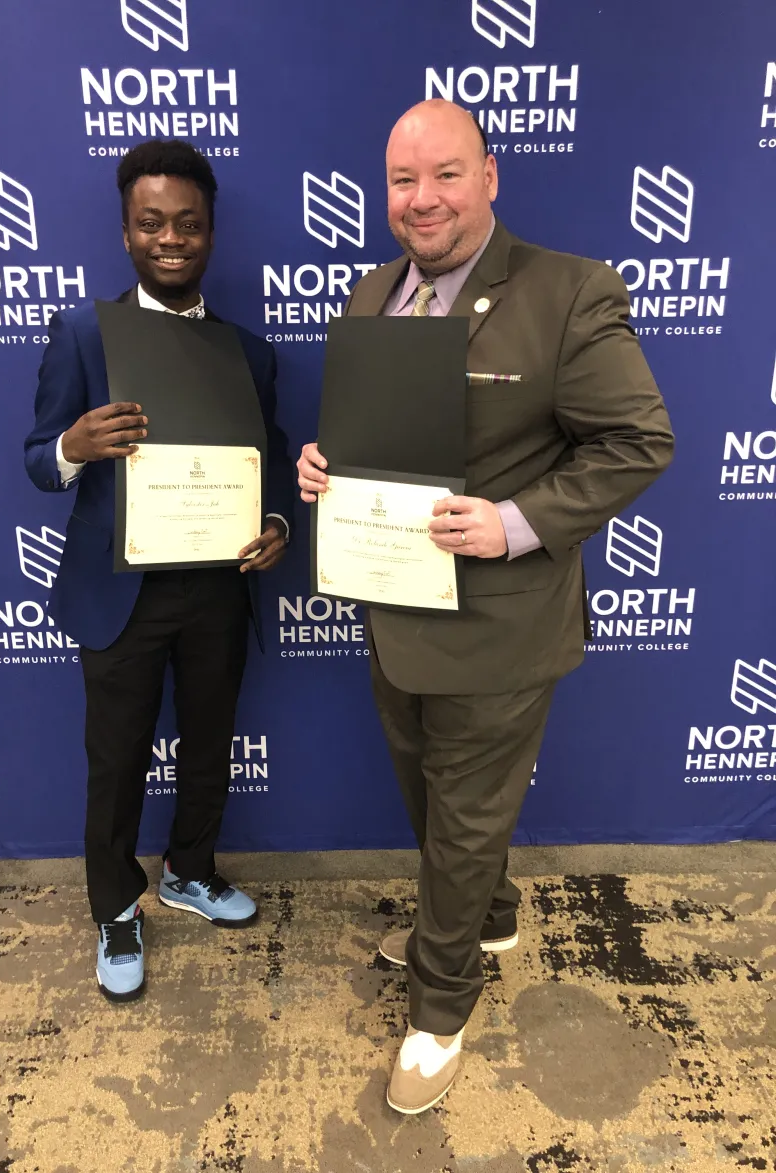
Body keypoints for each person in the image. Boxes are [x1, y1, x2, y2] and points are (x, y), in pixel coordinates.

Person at [297, 100, 674, 1115]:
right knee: (435, 805)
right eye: (401, 181)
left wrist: (511, 520)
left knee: (460, 825)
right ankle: (486, 914)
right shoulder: (372, 291)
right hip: (394, 609)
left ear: (490, 175)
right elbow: (376, 436)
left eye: (444, 175)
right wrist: (327, 465)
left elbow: (637, 442)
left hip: (501, 624)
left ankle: (439, 1003)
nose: (420, 200)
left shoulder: (568, 291)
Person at [25, 140, 293, 1004]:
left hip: (218, 582)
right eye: (151, 223)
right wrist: (74, 446)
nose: (169, 238)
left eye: (187, 223)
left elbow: (274, 462)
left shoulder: (247, 354)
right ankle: (115, 903)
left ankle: (191, 869)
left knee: (211, 739)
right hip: (120, 589)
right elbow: (35, 460)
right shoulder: (82, 334)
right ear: (127, 230)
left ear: (211, 233)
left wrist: (279, 520)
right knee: (117, 758)